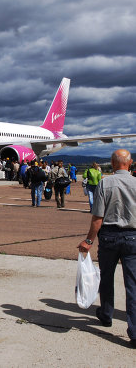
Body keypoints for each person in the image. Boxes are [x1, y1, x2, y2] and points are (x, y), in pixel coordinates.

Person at [78, 149, 136, 348]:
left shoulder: (105, 183)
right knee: (133, 284)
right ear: (131, 163)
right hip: (133, 237)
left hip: (110, 236)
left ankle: (106, 314)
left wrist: (88, 241)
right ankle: (134, 331)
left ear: (112, 163)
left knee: (107, 277)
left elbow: (98, 218)